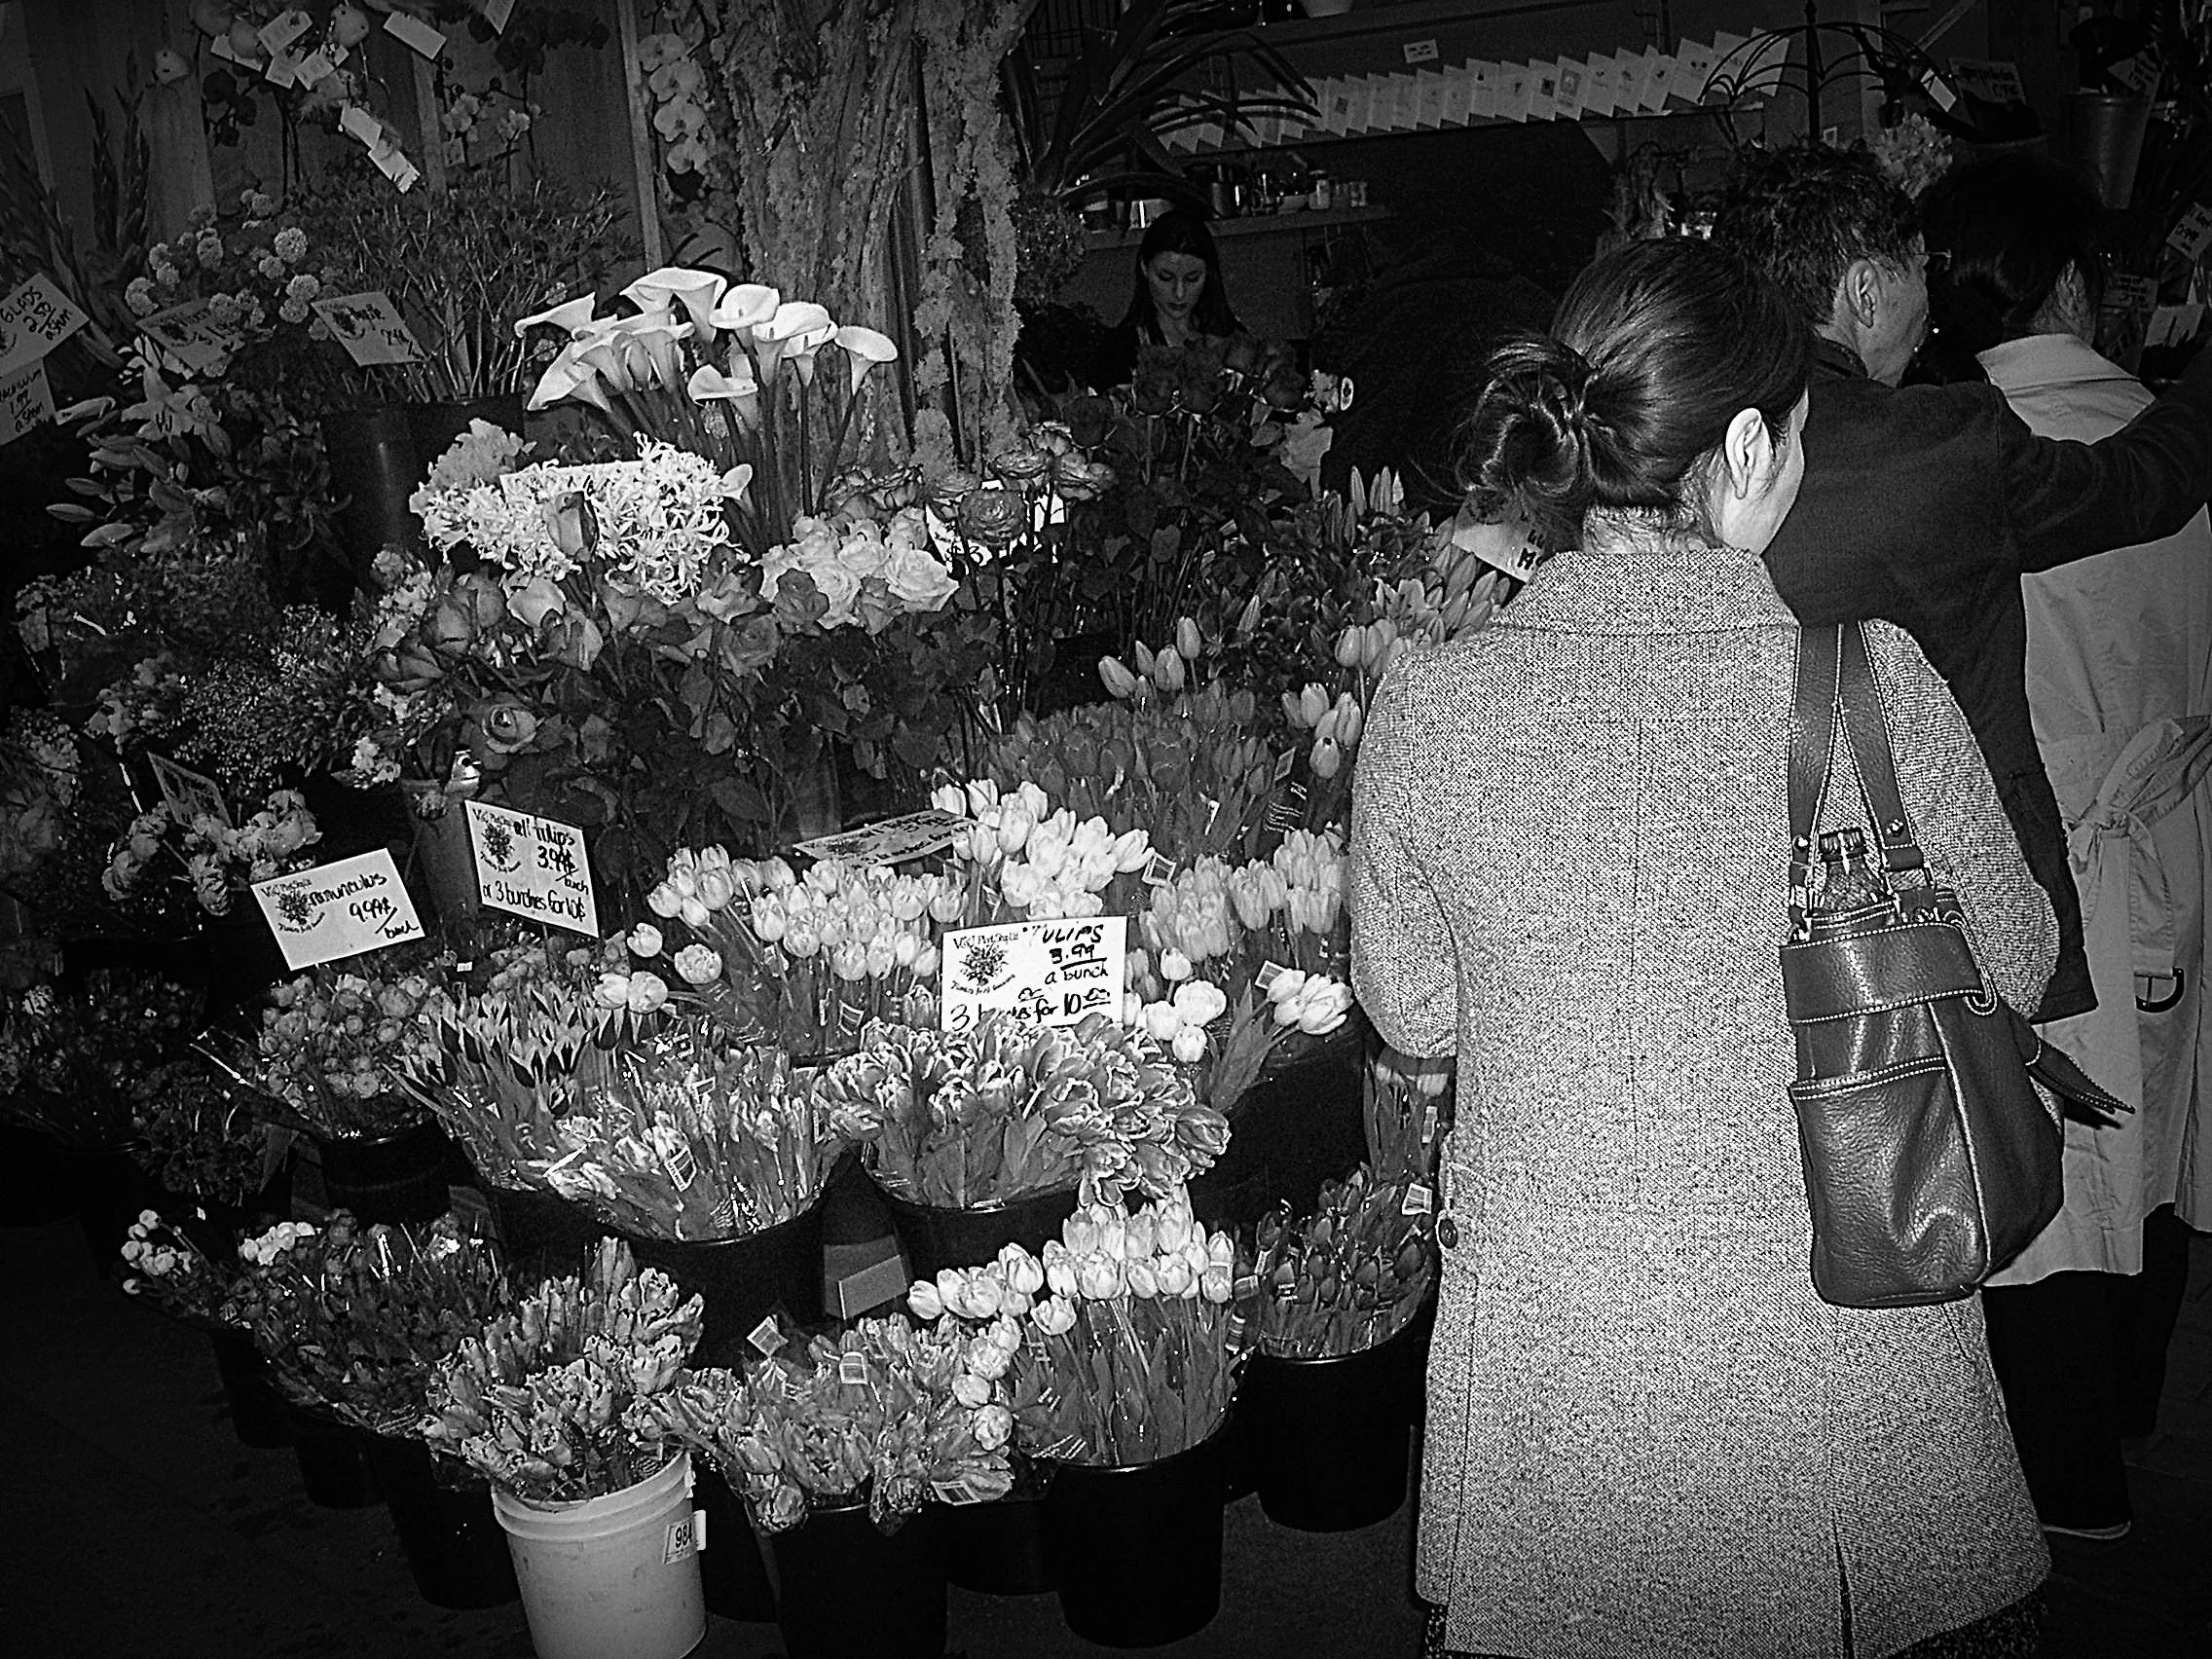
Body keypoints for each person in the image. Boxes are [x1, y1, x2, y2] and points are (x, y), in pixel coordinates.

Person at [1351, 237, 2055, 1658]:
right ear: (1742, 447)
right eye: (1795, 427)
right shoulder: (1868, 681)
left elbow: (1413, 1008)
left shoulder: (1433, 698)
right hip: (1844, 1304)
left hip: (1560, 1334)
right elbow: (2018, 960)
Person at [1716, 143, 2212, 1027]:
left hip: (1748, 909)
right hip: (1953, 917)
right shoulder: (1942, 445)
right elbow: (2145, 487)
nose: (1932, 307)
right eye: (1919, 272)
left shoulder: (1691, 453)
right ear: (1866, 293)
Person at [1917, 153, 2212, 1540]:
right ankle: (2134, 1414)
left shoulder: (1944, 456)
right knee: (2159, 1136)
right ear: (2077, 289)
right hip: (2172, 838)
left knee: (2035, 1162)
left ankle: (2068, 1476)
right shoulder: (2164, 441)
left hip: (2020, 860)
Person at [1089, 207, 1241, 388]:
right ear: (1144, 268)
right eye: (1165, 278)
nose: (1179, 293)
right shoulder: (1120, 351)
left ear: (1208, 273)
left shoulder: (1233, 340)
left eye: (1192, 279)